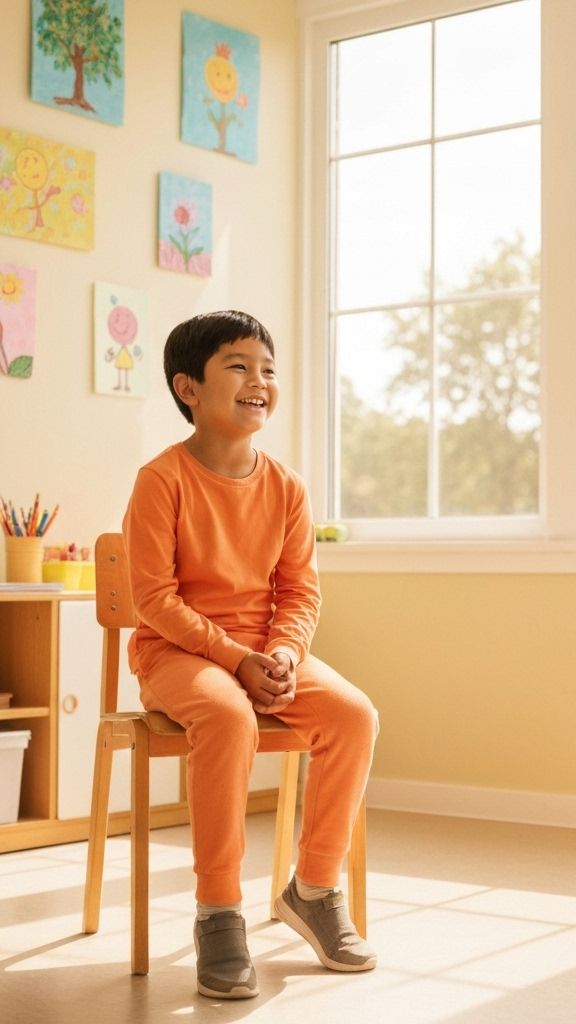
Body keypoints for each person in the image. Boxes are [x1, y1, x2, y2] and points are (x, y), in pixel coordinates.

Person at [123, 310, 378, 1000]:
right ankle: (218, 912)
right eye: (238, 366)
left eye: (268, 369)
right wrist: (234, 659)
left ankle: (315, 890)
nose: (258, 381)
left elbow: (299, 591)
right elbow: (153, 600)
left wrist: (285, 653)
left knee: (355, 715)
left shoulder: (287, 487)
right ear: (188, 388)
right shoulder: (161, 480)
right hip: (178, 652)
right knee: (229, 718)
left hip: (264, 651)